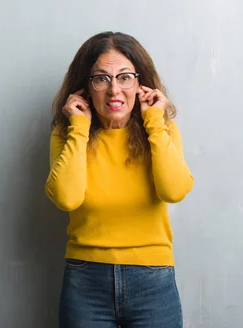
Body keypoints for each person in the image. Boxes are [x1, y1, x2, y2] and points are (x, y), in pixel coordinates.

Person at [45, 31, 194, 328]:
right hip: (85, 282)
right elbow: (66, 197)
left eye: (125, 77)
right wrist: (79, 128)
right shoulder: (69, 133)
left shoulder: (162, 130)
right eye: (101, 78)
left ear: (140, 83)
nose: (114, 90)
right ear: (86, 88)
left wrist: (154, 120)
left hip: (153, 281)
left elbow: (174, 190)